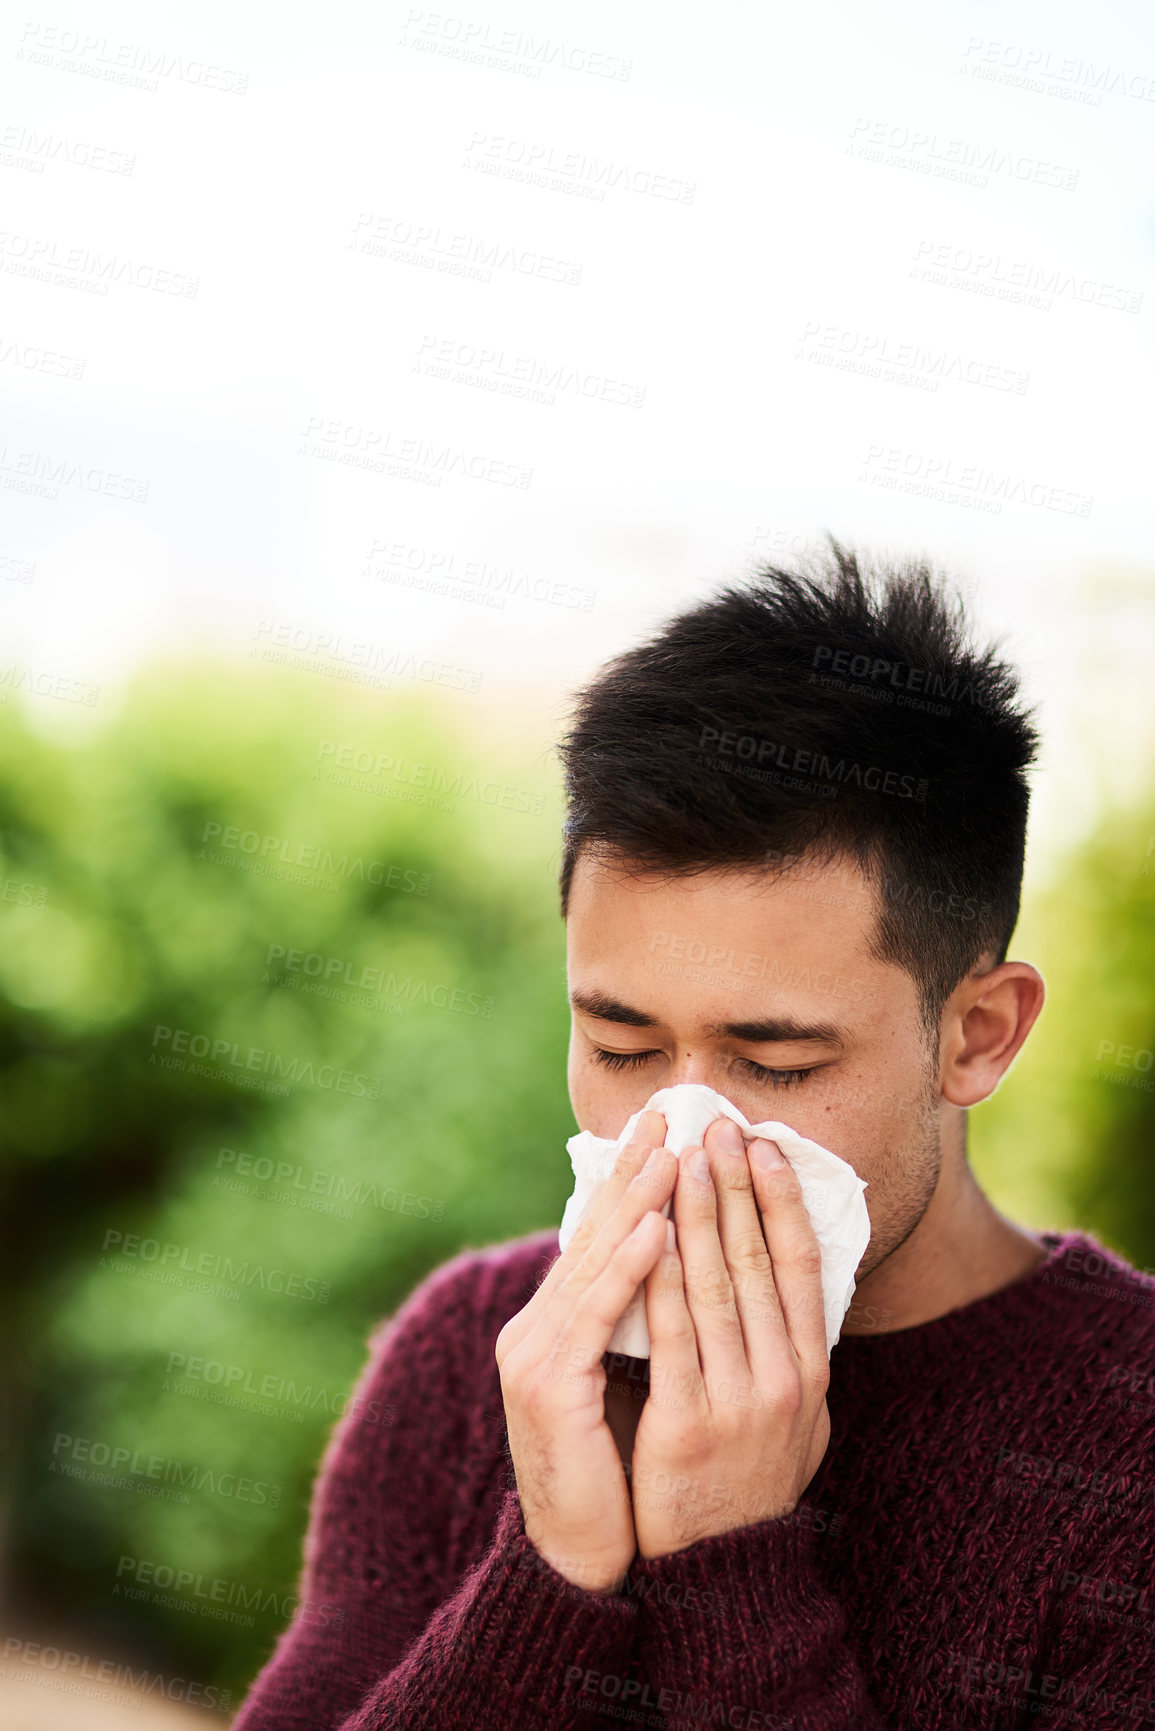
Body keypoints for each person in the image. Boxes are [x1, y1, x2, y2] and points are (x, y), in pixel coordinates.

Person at [232, 542, 1155, 1729]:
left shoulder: (1124, 1456)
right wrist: (550, 1571)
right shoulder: (479, 1355)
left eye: (775, 1062)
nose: (679, 1134)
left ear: (976, 1034)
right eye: (621, 1045)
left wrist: (733, 1563)